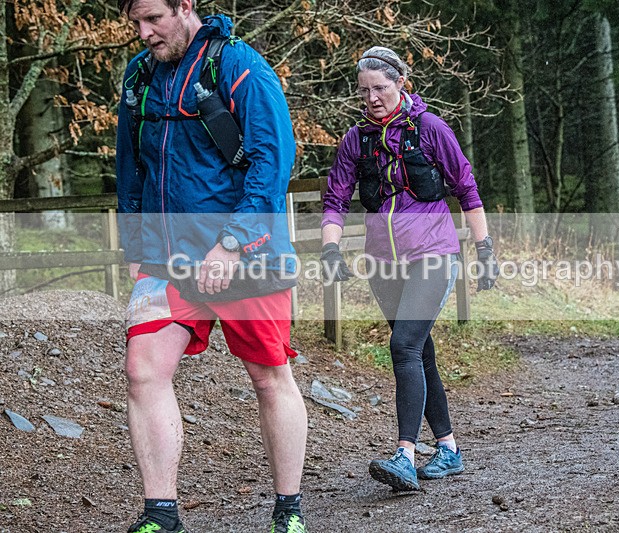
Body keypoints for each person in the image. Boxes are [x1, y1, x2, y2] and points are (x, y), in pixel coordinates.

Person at [115, 0, 307, 531]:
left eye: (154, 18)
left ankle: (288, 509)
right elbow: (130, 159)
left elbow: (273, 159)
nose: (144, 32)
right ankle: (162, 513)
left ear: (185, 5)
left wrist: (233, 243)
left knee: (269, 377)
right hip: (167, 257)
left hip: (245, 254)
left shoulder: (238, 64)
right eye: (135, 22)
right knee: (143, 369)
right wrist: (135, 242)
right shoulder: (139, 75)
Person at [320, 46, 498, 491]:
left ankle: (405, 454)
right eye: (364, 91)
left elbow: (467, 189)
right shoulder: (355, 140)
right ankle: (450, 450)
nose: (372, 98)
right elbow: (336, 199)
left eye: (380, 88)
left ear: (401, 83)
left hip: (433, 254)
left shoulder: (430, 128)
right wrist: (330, 250)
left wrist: (485, 249)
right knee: (419, 352)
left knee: (403, 346)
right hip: (383, 263)